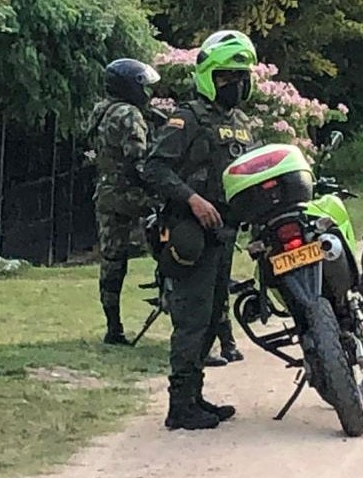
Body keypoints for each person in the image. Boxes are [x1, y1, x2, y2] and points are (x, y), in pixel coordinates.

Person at [142, 30, 259, 430]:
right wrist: (193, 199)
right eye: (228, 76)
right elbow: (154, 168)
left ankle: (196, 397)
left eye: (242, 76)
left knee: (212, 318)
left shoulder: (241, 124)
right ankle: (179, 407)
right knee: (191, 319)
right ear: (210, 76)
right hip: (191, 231)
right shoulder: (186, 119)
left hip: (225, 235)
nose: (236, 84)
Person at [87, 58, 161, 346]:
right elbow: (138, 160)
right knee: (170, 242)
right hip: (133, 195)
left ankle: (113, 327)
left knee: (112, 260)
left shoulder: (101, 111)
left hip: (106, 192)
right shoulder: (129, 114)